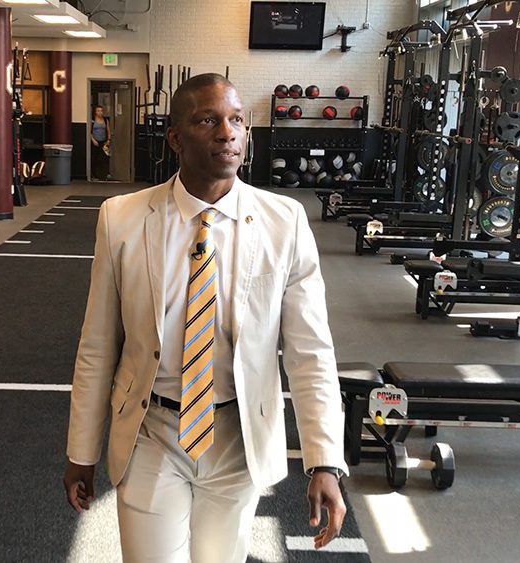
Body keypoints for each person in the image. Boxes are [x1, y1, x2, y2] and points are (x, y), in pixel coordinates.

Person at [63, 73, 346, 561]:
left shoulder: (285, 222)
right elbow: (97, 346)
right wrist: (81, 453)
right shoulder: (122, 218)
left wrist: (324, 461)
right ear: (175, 137)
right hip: (153, 430)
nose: (226, 133)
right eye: (207, 120)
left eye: (236, 120)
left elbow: (310, 350)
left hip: (237, 435)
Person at [90, 105, 111, 181]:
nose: (100, 112)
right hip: (95, 141)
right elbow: (89, 131)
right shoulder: (92, 120)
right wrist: (93, 140)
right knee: (94, 158)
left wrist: (108, 140)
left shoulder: (105, 120)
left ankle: (105, 174)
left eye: (101, 111)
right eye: (98, 111)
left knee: (104, 158)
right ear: (95, 112)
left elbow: (108, 130)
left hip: (104, 142)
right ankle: (94, 175)